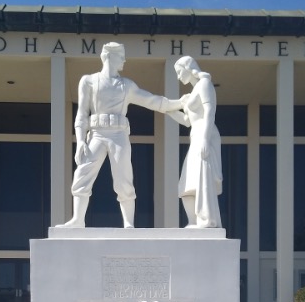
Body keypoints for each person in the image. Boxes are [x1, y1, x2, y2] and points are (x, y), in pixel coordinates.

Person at [57, 42, 184, 228]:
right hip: (97, 134)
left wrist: (179, 103)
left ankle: (128, 223)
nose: (124, 60)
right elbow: (82, 114)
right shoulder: (89, 81)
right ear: (108, 56)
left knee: (124, 179)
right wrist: (80, 141)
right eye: (121, 56)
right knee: (82, 174)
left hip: (118, 135)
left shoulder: (127, 85)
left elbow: (153, 101)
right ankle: (77, 220)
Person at [167, 56, 223, 228]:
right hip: (196, 134)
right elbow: (186, 120)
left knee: (203, 178)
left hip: (205, 134)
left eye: (179, 72)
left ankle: (208, 220)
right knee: (187, 183)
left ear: (188, 68)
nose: (178, 77)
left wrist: (205, 139)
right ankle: (194, 221)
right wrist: (167, 110)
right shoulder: (193, 91)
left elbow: (209, 112)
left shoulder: (205, 84)